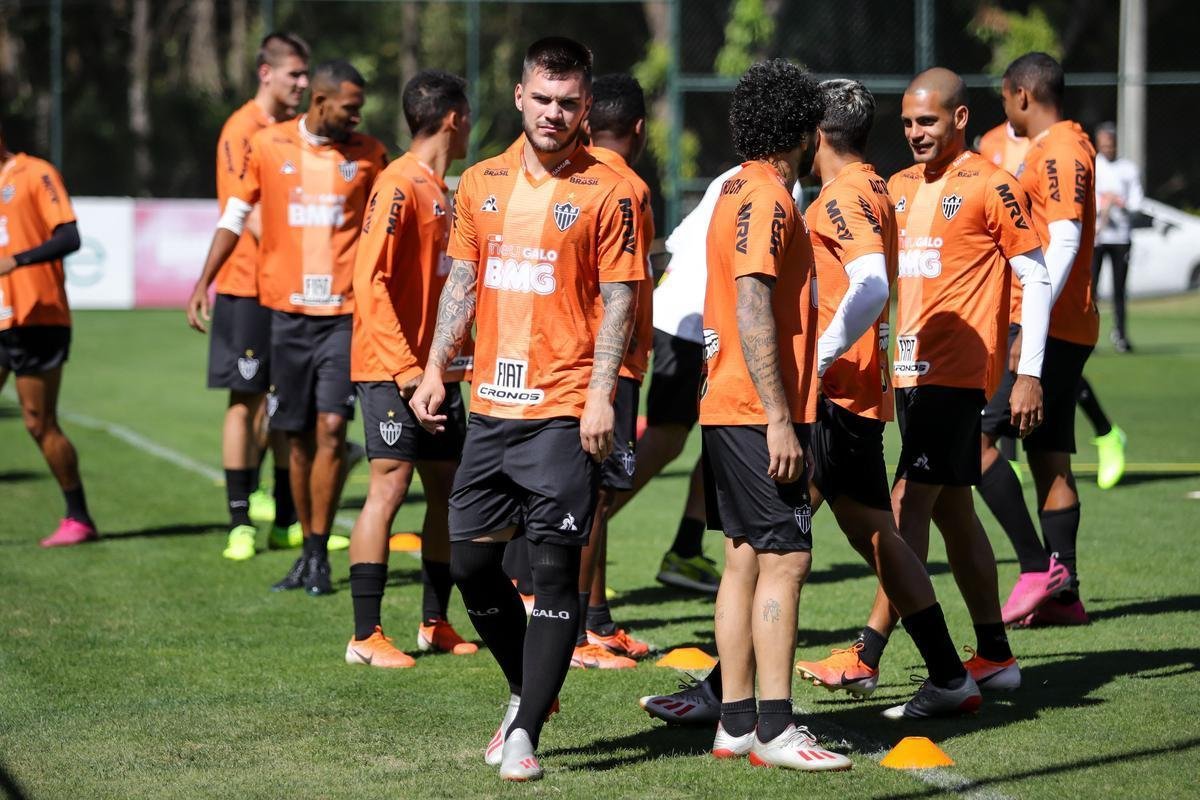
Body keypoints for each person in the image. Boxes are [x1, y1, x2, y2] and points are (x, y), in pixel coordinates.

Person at [641, 78, 981, 728]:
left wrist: (819, 356)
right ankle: (947, 674)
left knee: (757, 547)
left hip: (829, 398)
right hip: (849, 397)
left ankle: (733, 700)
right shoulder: (870, 186)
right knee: (870, 536)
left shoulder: (844, 195)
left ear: (814, 133)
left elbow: (871, 283)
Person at [409, 37, 643, 782]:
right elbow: (461, 281)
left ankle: (524, 732)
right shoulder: (480, 181)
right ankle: (527, 687)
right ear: (519, 96)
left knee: (553, 574)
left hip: (566, 409)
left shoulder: (613, 190)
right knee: (471, 562)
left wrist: (602, 395)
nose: (553, 113)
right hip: (490, 407)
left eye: (568, 103)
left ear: (586, 106)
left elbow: (620, 299)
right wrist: (435, 368)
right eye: (542, 99)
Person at [794, 68, 1054, 709]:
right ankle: (995, 654)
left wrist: (1030, 371)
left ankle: (868, 654)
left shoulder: (993, 184)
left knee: (906, 502)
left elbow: (1036, 275)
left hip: (956, 375)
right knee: (954, 512)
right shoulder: (896, 188)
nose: (915, 133)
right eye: (908, 122)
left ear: (960, 118)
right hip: (903, 376)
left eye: (928, 121)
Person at [697, 59, 851, 770]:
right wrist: (780, 418)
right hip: (755, 408)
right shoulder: (767, 197)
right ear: (803, 129)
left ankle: (735, 723)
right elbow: (753, 302)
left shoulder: (734, 187)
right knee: (786, 559)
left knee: (742, 558)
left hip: (726, 402)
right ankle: (776, 729)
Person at [189, 60, 386, 594]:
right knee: (294, 439)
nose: (357, 117)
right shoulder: (268, 145)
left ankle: (317, 554)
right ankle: (306, 550)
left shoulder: (370, 155)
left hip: (343, 317)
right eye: (349, 108)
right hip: (286, 318)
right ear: (321, 102)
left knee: (331, 429)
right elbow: (235, 216)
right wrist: (204, 281)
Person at [343, 69, 478, 668]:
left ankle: (434, 622)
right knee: (390, 484)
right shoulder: (397, 184)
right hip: (391, 368)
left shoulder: (441, 188)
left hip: (437, 374)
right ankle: (365, 636)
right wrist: (404, 370)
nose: (470, 127)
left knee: (448, 490)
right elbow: (367, 280)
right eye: (468, 117)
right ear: (453, 118)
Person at [982, 52, 1099, 626]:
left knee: (975, 443)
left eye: (1005, 97)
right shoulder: (1059, 145)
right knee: (1049, 457)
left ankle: (1036, 568)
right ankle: (1065, 596)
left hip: (1048, 325)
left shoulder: (1059, 149)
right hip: (1061, 324)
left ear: (1022, 95)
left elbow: (1066, 239)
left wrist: (1031, 324)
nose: (1005, 108)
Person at [195, 32, 309, 561]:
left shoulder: (292, 131)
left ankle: (286, 520)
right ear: (267, 73)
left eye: (306, 74)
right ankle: (240, 521)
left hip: (287, 289)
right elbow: (247, 213)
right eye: (294, 74)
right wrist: (307, 256)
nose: (303, 83)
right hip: (247, 286)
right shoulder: (242, 129)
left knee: (286, 402)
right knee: (244, 401)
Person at [569, 72, 655, 669]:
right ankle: (577, 634)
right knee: (594, 500)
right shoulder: (629, 187)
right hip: (612, 363)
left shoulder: (570, 175)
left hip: (571, 356)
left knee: (591, 498)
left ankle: (595, 621)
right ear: (639, 129)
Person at [0, 120, 93, 547]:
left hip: (38, 317)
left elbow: (70, 236)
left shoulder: (35, 173)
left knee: (39, 423)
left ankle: (79, 518)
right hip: (2, 319)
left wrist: (17, 260)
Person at [1092, 121, 1142, 354]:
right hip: (1097, 238)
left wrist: (1120, 203)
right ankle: (1088, 336)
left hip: (1121, 237)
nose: (1107, 149)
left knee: (1119, 290)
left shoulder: (1128, 169)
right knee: (1091, 290)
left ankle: (1120, 335)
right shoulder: (1093, 166)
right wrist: (1102, 204)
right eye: (1103, 145)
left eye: (1110, 145)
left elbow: (1137, 203)